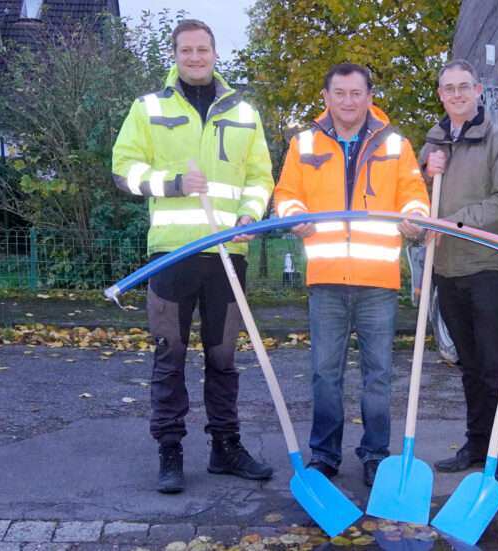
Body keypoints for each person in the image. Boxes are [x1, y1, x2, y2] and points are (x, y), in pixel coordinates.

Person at [112, 19, 275, 494]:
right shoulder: (148, 108)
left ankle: (226, 447)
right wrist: (173, 183)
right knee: (170, 356)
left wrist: (250, 214)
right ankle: (170, 450)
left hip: (228, 252)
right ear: (175, 55)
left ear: (215, 53)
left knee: (223, 357)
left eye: (203, 49)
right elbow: (124, 170)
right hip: (173, 254)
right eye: (187, 50)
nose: (196, 57)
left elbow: (260, 176)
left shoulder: (243, 112)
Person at [272, 63, 430, 487]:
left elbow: (415, 194)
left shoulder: (395, 144)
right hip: (325, 278)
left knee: (378, 374)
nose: (347, 101)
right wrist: (294, 215)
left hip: (377, 280)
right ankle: (324, 456)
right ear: (326, 97)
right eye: (339, 93)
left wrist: (416, 217)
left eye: (355, 93)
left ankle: (376, 455)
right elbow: (285, 194)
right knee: (326, 372)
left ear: (369, 95)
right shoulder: (303, 142)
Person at [418, 60, 498, 487]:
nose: (457, 94)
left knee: (496, 364)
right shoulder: (433, 146)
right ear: (440, 95)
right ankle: (477, 443)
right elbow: (417, 202)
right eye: (449, 88)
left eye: (464, 87)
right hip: (447, 268)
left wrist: (454, 223)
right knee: (469, 365)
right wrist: (423, 207)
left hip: (489, 266)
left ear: (479, 91)